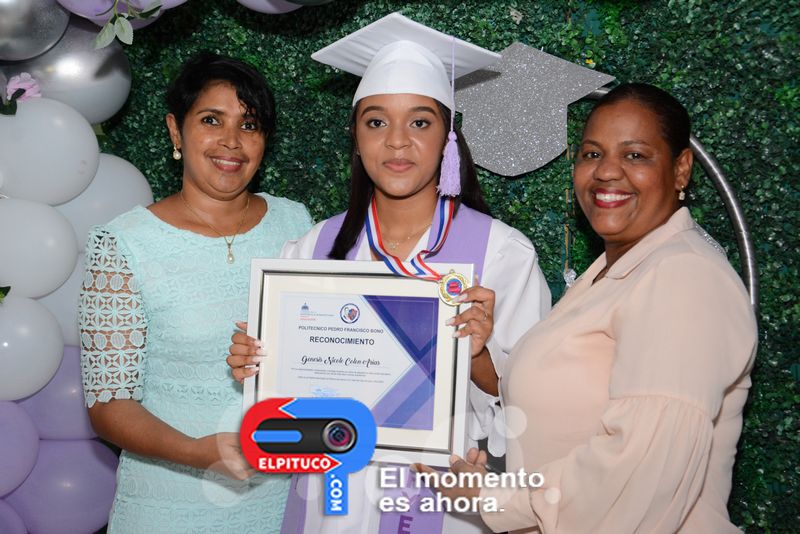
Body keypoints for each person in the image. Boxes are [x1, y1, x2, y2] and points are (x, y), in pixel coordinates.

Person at [226, 13, 551, 534]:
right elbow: (292, 414)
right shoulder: (315, 249)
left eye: (420, 122)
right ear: (355, 137)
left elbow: (537, 410)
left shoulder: (501, 254)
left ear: (448, 138)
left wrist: (478, 357)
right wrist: (263, 369)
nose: (397, 142)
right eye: (376, 122)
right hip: (330, 500)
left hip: (444, 501)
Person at [416, 83, 758, 533]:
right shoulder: (614, 273)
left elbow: (639, 471)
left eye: (635, 155)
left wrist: (495, 497)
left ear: (681, 169)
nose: (607, 172)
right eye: (592, 154)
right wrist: (479, 354)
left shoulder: (683, 277)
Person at [79, 52, 313, 533]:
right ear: (175, 130)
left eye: (249, 124)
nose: (232, 141)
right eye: (211, 120)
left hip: (286, 501)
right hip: (169, 505)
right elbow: (109, 405)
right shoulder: (124, 244)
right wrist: (197, 452)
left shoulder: (297, 223)